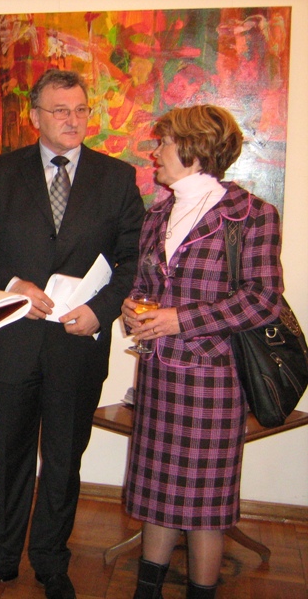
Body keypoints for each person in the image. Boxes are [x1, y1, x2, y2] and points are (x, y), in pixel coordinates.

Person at [0, 69, 145, 599]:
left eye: (81, 109)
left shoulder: (117, 177)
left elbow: (134, 259)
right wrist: (12, 284)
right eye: (60, 110)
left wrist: (101, 311)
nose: (72, 119)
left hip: (77, 344)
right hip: (13, 339)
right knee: (9, 457)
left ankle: (51, 562)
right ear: (35, 115)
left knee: (64, 460)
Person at [121, 105, 283, 599]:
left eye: (164, 143)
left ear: (193, 148)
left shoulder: (251, 215)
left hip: (213, 381)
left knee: (205, 508)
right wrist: (133, 309)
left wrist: (180, 319)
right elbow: (148, 286)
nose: (155, 152)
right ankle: (146, 592)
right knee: (158, 497)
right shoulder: (157, 215)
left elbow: (263, 299)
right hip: (158, 376)